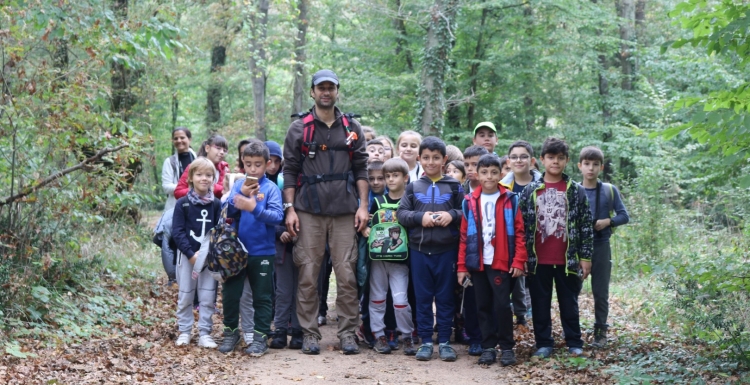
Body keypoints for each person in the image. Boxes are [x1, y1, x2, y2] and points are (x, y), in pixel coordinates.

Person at [282, 69, 369, 355]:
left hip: (345, 211)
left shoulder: (351, 127)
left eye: (331, 87)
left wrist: (364, 206)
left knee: (347, 273)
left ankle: (347, 334)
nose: (326, 92)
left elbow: (361, 169)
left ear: (337, 91)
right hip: (308, 211)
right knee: (308, 272)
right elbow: (291, 171)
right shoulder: (299, 128)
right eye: (321, 88)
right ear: (312, 92)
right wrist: (290, 209)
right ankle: (309, 334)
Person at [519, 137, 594, 358]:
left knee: (568, 303)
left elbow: (585, 225)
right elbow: (521, 226)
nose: (555, 162)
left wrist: (586, 256)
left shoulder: (575, 190)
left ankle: (574, 342)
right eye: (551, 157)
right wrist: (522, 256)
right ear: (541, 160)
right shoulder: (530, 190)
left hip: (568, 260)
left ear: (567, 161)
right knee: (540, 303)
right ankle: (544, 343)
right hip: (537, 260)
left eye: (560, 158)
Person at [397, 136, 463, 362]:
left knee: (445, 298)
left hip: (447, 252)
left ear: (444, 159)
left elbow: (467, 214)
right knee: (423, 298)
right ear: (419, 159)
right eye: (426, 158)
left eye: (436, 158)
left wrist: (451, 215)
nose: (431, 162)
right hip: (419, 251)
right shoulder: (413, 187)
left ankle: (444, 341)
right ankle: (425, 341)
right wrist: (420, 217)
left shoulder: (455, 187)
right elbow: (402, 214)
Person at [458, 154, 527, 366]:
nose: (489, 176)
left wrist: (518, 261)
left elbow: (520, 233)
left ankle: (506, 347)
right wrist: (462, 266)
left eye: (494, 172)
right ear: (477, 174)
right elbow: (463, 236)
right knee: (482, 305)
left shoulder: (510, 199)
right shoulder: (469, 201)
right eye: (484, 172)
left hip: (501, 262)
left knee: (503, 306)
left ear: (501, 173)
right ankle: (488, 347)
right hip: (478, 262)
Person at [221, 140, 284, 357]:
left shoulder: (272, 189)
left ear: (267, 164)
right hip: (237, 252)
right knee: (230, 293)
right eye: (248, 164)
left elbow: (277, 217)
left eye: (258, 164)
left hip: (263, 252)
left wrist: (254, 207)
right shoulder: (239, 185)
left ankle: (260, 338)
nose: (253, 169)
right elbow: (228, 214)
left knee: (262, 297)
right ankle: (230, 333)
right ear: (243, 165)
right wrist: (239, 200)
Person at [577, 146, 629, 347]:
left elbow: (624, 215)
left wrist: (608, 222)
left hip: (601, 245)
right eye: (587, 164)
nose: (591, 168)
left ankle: (600, 333)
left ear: (601, 167)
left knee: (600, 292)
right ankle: (572, 333)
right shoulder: (574, 189)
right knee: (572, 291)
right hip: (577, 247)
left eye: (595, 164)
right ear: (580, 166)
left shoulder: (609, 190)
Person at [364, 158, 416, 355]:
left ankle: (408, 336)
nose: (391, 180)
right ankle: (379, 335)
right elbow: (368, 225)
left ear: (405, 178)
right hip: (378, 259)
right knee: (377, 299)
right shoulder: (378, 202)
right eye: (388, 176)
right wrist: (365, 231)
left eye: (395, 175)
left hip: (401, 260)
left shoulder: (410, 201)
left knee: (400, 300)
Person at [171, 157, 222, 348]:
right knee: (185, 294)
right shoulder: (182, 204)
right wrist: (191, 254)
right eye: (199, 174)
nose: (204, 179)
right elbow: (178, 232)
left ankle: (204, 333)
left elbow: (219, 230)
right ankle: (184, 331)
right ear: (191, 178)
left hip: (209, 260)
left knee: (207, 296)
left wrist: (209, 253)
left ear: (213, 178)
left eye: (209, 175)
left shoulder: (216, 205)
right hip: (187, 257)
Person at [500, 141, 540, 327]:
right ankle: (520, 316)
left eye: (523, 156)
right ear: (508, 161)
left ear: (532, 161)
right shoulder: (502, 187)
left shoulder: (542, 184)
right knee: (515, 278)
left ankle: (538, 319)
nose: (519, 160)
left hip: (538, 240)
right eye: (514, 157)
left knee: (538, 284)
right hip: (511, 241)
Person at [157, 127, 196, 286]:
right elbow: (166, 186)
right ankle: (173, 276)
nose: (179, 141)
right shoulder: (170, 162)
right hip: (175, 206)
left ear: (189, 139)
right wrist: (188, 190)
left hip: (196, 207)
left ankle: (192, 274)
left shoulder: (197, 159)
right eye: (176, 138)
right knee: (173, 238)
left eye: (183, 138)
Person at [174, 134, 230, 200]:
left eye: (225, 150)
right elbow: (178, 193)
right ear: (207, 148)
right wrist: (197, 190)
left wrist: (213, 188)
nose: (222, 152)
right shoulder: (194, 166)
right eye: (218, 148)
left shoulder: (225, 169)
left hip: (217, 208)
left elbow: (227, 191)